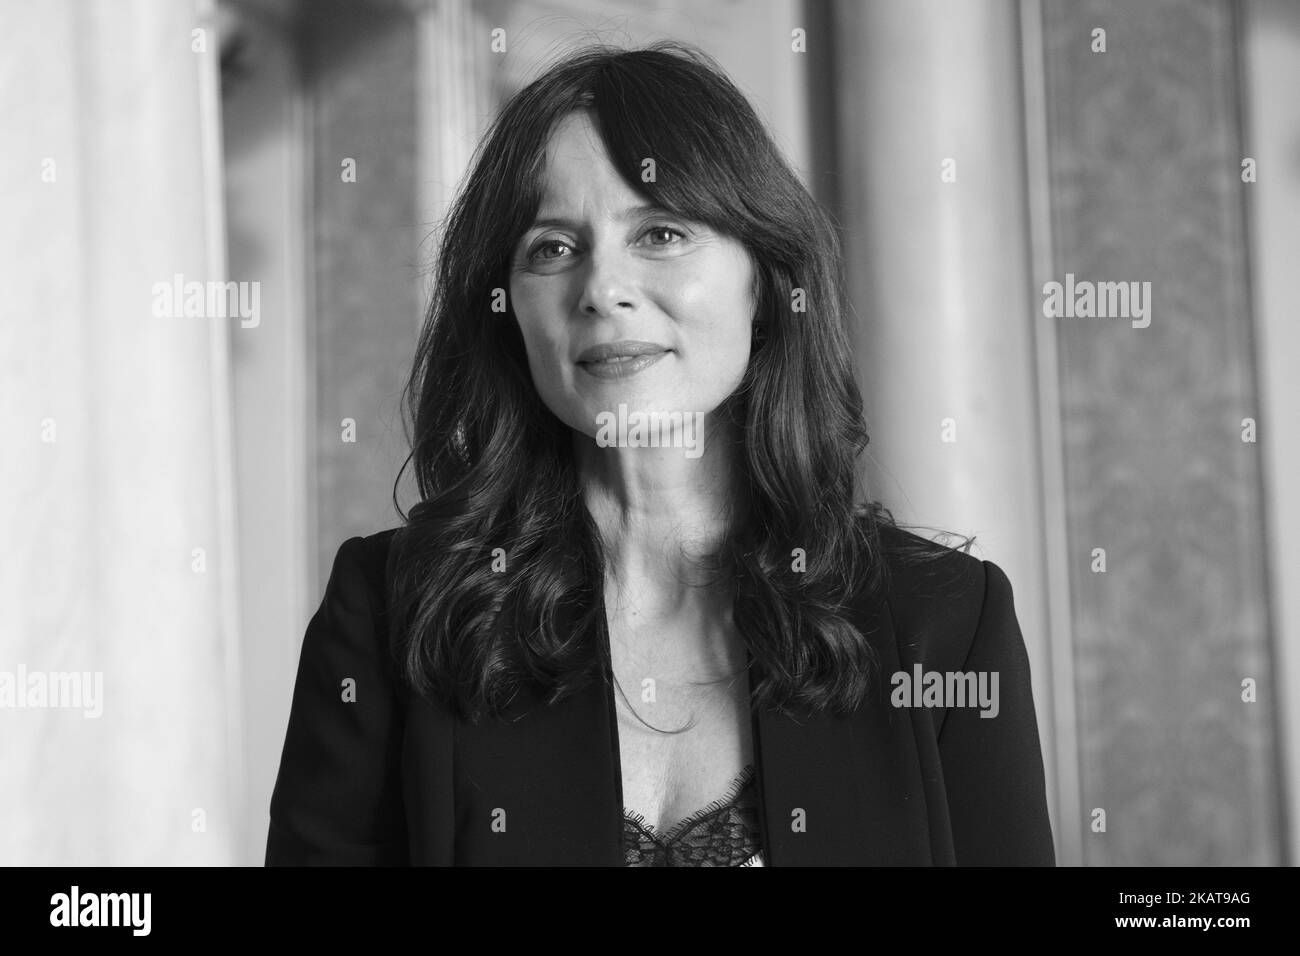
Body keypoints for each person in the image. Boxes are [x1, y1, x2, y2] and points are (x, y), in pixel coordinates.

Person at [265, 41, 1055, 867]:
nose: (602, 287)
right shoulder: (390, 615)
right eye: (552, 247)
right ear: (509, 312)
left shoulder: (946, 622)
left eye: (662, 232)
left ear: (766, 282)